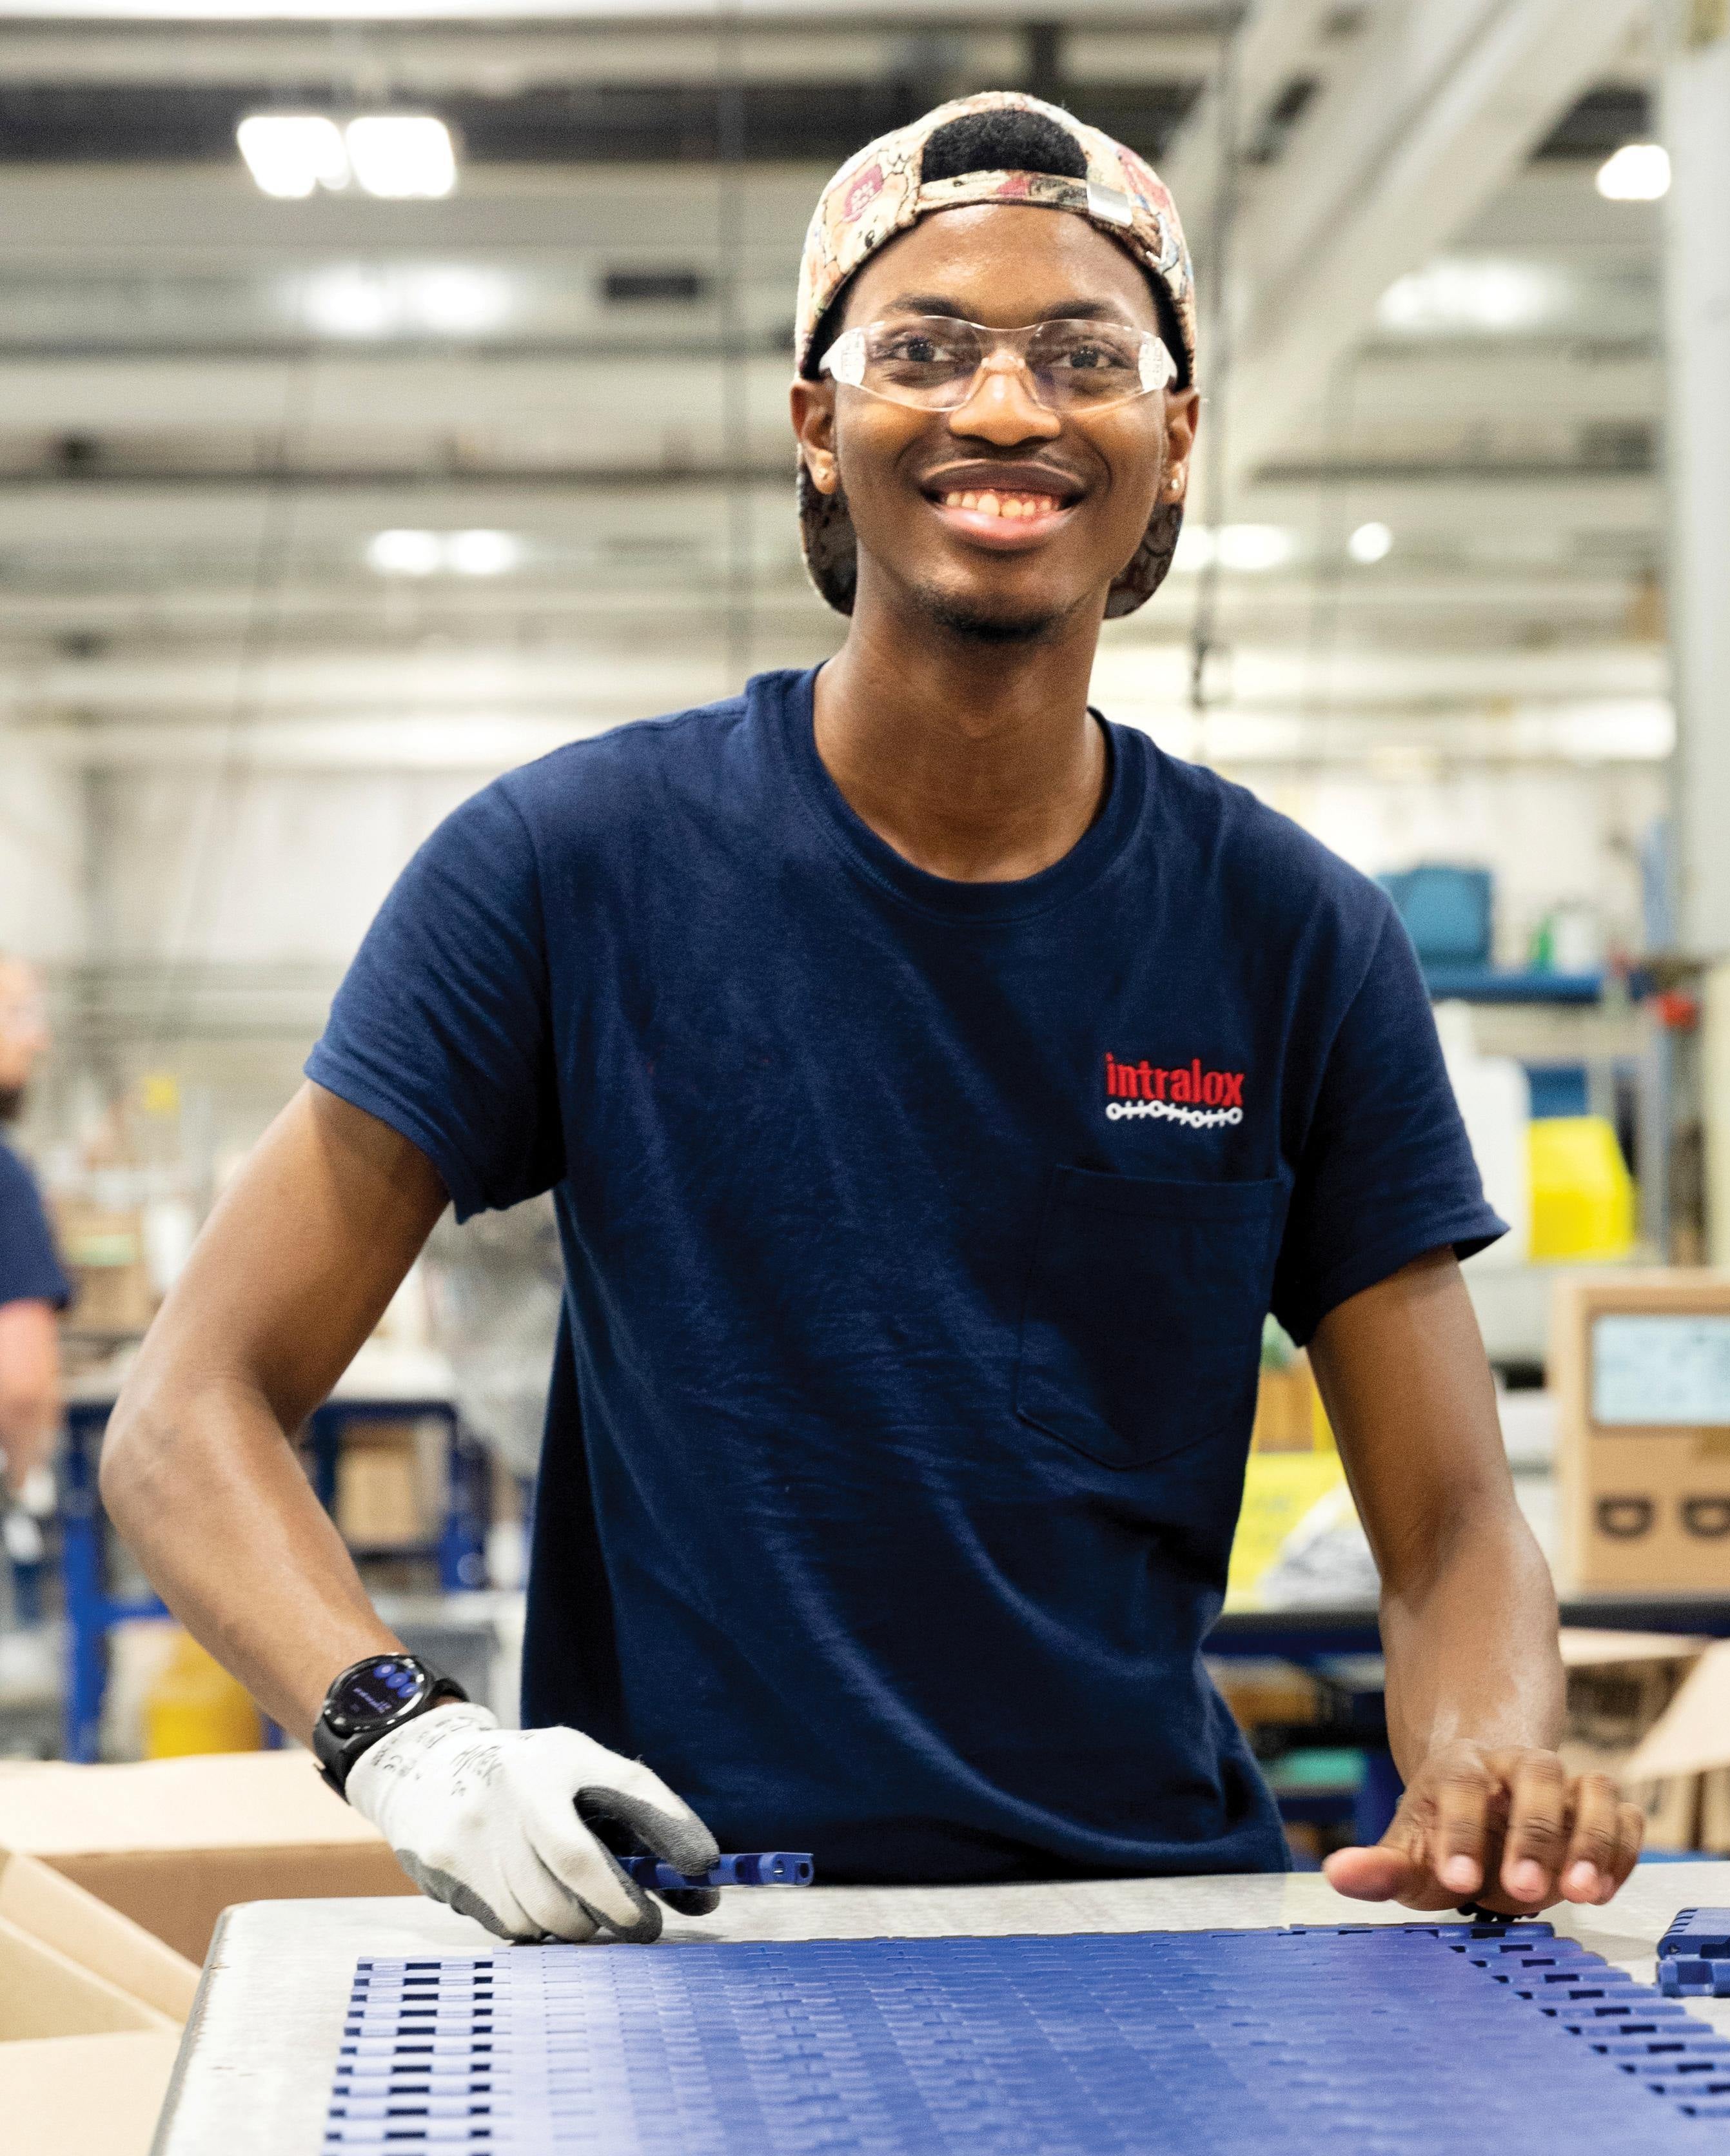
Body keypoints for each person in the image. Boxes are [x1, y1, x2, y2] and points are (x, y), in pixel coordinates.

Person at [103, 93, 1642, 1944]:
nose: (1007, 410)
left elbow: (1459, 1524)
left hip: (1156, 1932)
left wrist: (1484, 1759)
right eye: (925, 351)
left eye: (1088, 357)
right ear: (820, 431)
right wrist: (410, 1742)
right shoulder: (571, 871)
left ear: (1174, 440)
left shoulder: (1291, 934)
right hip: (685, 1923)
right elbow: (186, 1414)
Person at [0, 956, 64, 1502]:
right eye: (19, 1014)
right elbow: (22, 1382)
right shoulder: (5, 1178)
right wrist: (23, 1482)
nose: (39, 1039)